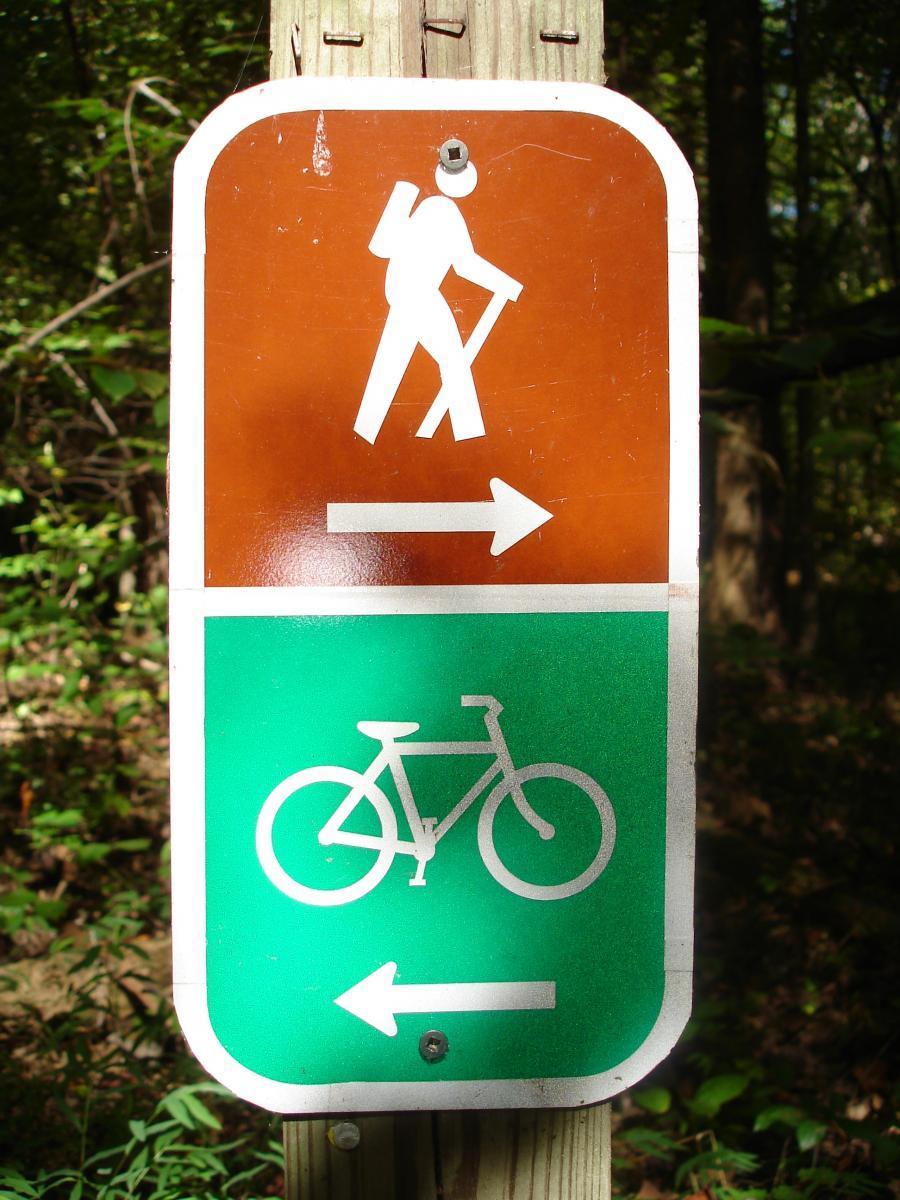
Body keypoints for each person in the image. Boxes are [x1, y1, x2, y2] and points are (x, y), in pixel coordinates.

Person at [354, 156, 523, 445]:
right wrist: (508, 286)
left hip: (401, 290)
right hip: (418, 292)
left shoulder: (429, 207)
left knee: (392, 360)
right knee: (453, 360)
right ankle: (470, 437)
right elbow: (465, 264)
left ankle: (364, 434)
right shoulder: (444, 211)